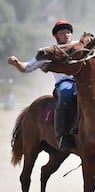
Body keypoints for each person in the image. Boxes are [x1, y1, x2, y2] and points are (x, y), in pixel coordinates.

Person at [7, 20, 76, 151]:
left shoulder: (79, 47)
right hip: (65, 84)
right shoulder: (49, 52)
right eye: (62, 32)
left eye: (68, 32)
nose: (66, 35)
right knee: (66, 97)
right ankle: (62, 135)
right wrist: (16, 63)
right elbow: (26, 68)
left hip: (83, 82)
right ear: (56, 36)